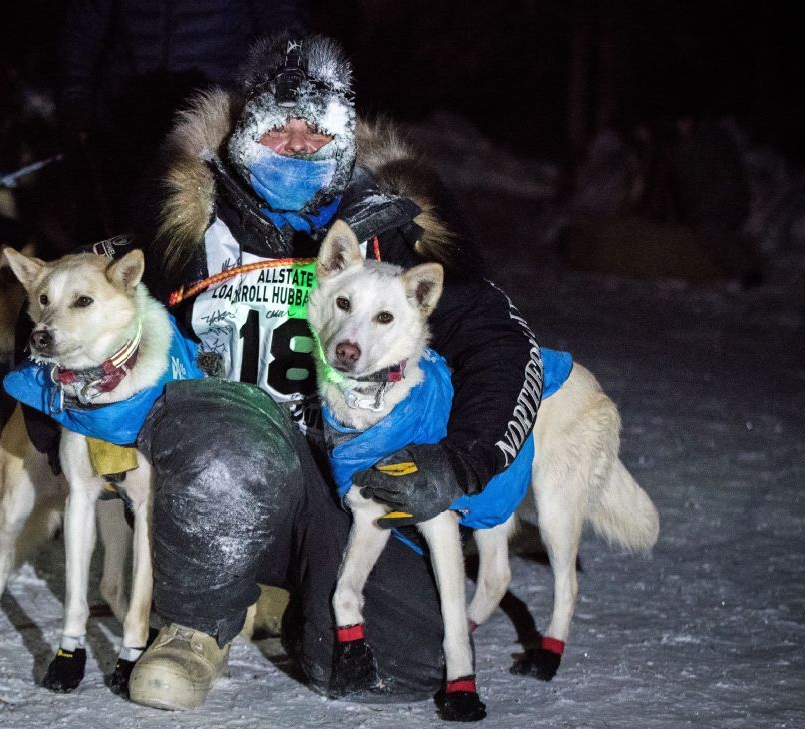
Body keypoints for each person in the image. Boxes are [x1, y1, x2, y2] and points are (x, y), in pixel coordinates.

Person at [124, 35, 544, 710]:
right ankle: (195, 621)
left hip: (350, 478)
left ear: (346, 133)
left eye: (317, 129)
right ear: (242, 127)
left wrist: (465, 460)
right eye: (277, 125)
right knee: (233, 427)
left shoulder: (400, 222)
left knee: (405, 664)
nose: (297, 144)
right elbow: (102, 301)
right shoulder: (191, 213)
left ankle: (292, 593)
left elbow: (502, 342)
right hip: (224, 460)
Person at [54, 0, 306, 240]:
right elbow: (82, 29)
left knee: (206, 230)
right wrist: (76, 98)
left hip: (214, 118)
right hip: (130, 116)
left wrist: (288, 92)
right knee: (125, 229)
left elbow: (281, 24)